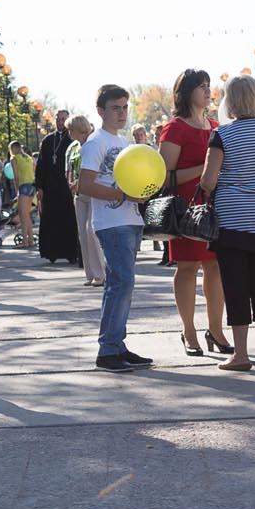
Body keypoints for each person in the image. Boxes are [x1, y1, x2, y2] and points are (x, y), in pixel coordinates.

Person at [201, 75, 255, 371]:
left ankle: (240, 354)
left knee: (236, 287)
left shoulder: (223, 134)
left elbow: (209, 181)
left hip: (233, 219)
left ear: (230, 100)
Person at [158, 69, 231, 356]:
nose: (207, 90)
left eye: (208, 85)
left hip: (215, 207)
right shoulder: (175, 128)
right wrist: (205, 168)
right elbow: (165, 176)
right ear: (186, 92)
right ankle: (188, 330)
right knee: (187, 268)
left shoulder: (215, 125)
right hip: (186, 210)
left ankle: (216, 330)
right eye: (201, 86)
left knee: (216, 268)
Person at [78, 87, 151, 369]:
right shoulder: (96, 143)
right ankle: (108, 350)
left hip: (130, 219)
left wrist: (141, 192)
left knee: (121, 284)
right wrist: (122, 195)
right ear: (101, 111)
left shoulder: (122, 142)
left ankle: (116, 345)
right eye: (116, 108)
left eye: (124, 107)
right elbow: (85, 185)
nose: (122, 112)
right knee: (121, 283)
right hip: (112, 222)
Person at [36, 110, 81, 266]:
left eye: (63, 119)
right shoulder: (48, 140)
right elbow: (40, 165)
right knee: (51, 219)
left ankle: (71, 252)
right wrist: (39, 186)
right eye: (58, 119)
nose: (60, 122)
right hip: (50, 187)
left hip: (67, 187)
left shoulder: (73, 141)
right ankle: (52, 252)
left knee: (69, 220)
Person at [66, 114, 107, 285]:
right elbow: (68, 168)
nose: (68, 132)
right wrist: (70, 184)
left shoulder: (94, 144)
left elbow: (98, 168)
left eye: (71, 129)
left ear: (78, 128)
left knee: (92, 231)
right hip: (78, 194)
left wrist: (79, 182)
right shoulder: (72, 148)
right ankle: (90, 274)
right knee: (82, 233)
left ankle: (101, 273)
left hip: (93, 192)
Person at [10, 142, 38, 247]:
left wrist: (17, 190)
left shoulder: (14, 159)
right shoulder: (29, 158)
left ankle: (25, 242)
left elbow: (16, 176)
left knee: (22, 215)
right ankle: (30, 240)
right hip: (32, 185)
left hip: (23, 186)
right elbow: (34, 171)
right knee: (26, 215)